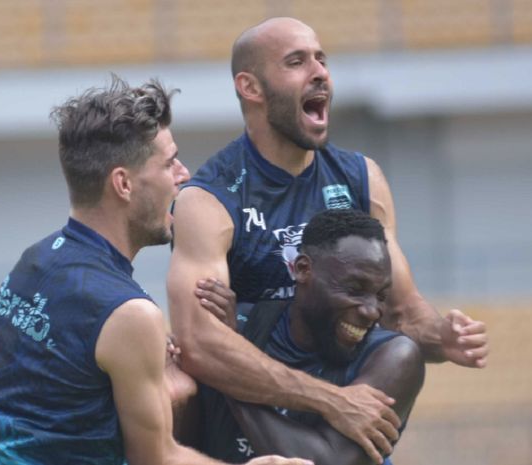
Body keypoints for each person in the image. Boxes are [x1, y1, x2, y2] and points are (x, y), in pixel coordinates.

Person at [167, 16, 489, 464]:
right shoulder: (210, 199)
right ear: (251, 87)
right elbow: (199, 344)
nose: (319, 72)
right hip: (256, 421)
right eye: (296, 62)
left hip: (341, 416)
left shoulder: (363, 179)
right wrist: (329, 401)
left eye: (322, 59)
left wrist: (441, 335)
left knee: (402, 354)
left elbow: (400, 308)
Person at [0, 75, 312, 465]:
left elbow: (56, 407)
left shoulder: (29, 265)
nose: (183, 175)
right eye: (169, 163)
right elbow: (156, 459)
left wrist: (171, 389)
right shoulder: (130, 313)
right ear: (123, 183)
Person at [193, 209, 425, 464]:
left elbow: (324, 461)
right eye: (355, 290)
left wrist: (228, 372)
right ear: (303, 269)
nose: (372, 312)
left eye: (381, 296)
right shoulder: (239, 325)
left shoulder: (394, 356)